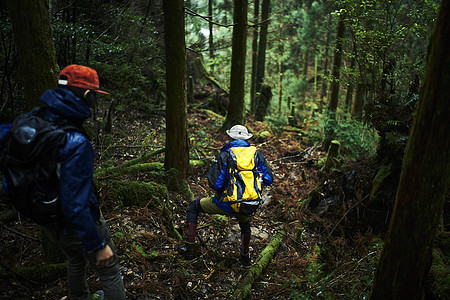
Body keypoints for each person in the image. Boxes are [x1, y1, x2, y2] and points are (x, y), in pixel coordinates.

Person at [1, 65, 126, 300]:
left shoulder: (28, 121)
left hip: (49, 220)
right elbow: (75, 206)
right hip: (76, 222)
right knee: (110, 271)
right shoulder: (76, 142)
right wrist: (97, 245)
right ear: (87, 96)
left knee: (75, 260)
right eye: (94, 97)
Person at [180, 125, 274, 266]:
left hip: (226, 203)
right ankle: (245, 257)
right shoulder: (256, 155)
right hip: (249, 204)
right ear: (246, 138)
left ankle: (189, 248)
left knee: (193, 207)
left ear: (230, 138)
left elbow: (215, 183)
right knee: (245, 222)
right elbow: (269, 179)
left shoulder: (225, 155)